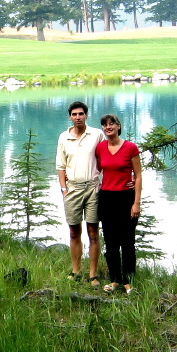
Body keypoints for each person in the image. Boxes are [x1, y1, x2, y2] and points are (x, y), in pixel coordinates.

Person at [56, 101, 105, 288]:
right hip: (72, 188)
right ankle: (75, 271)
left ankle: (93, 274)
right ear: (70, 116)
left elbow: (105, 158)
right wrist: (63, 189)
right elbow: (60, 165)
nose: (78, 117)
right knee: (74, 231)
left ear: (86, 115)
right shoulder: (63, 138)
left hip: (93, 187)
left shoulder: (96, 135)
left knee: (93, 232)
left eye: (81, 114)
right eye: (74, 114)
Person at [95, 114, 142, 294]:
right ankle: (115, 280)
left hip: (126, 198)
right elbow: (97, 168)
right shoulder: (100, 148)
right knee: (111, 242)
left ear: (118, 126)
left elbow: (138, 176)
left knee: (127, 242)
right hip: (107, 198)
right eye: (105, 125)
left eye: (111, 124)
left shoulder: (130, 148)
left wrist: (136, 202)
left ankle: (128, 282)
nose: (108, 127)